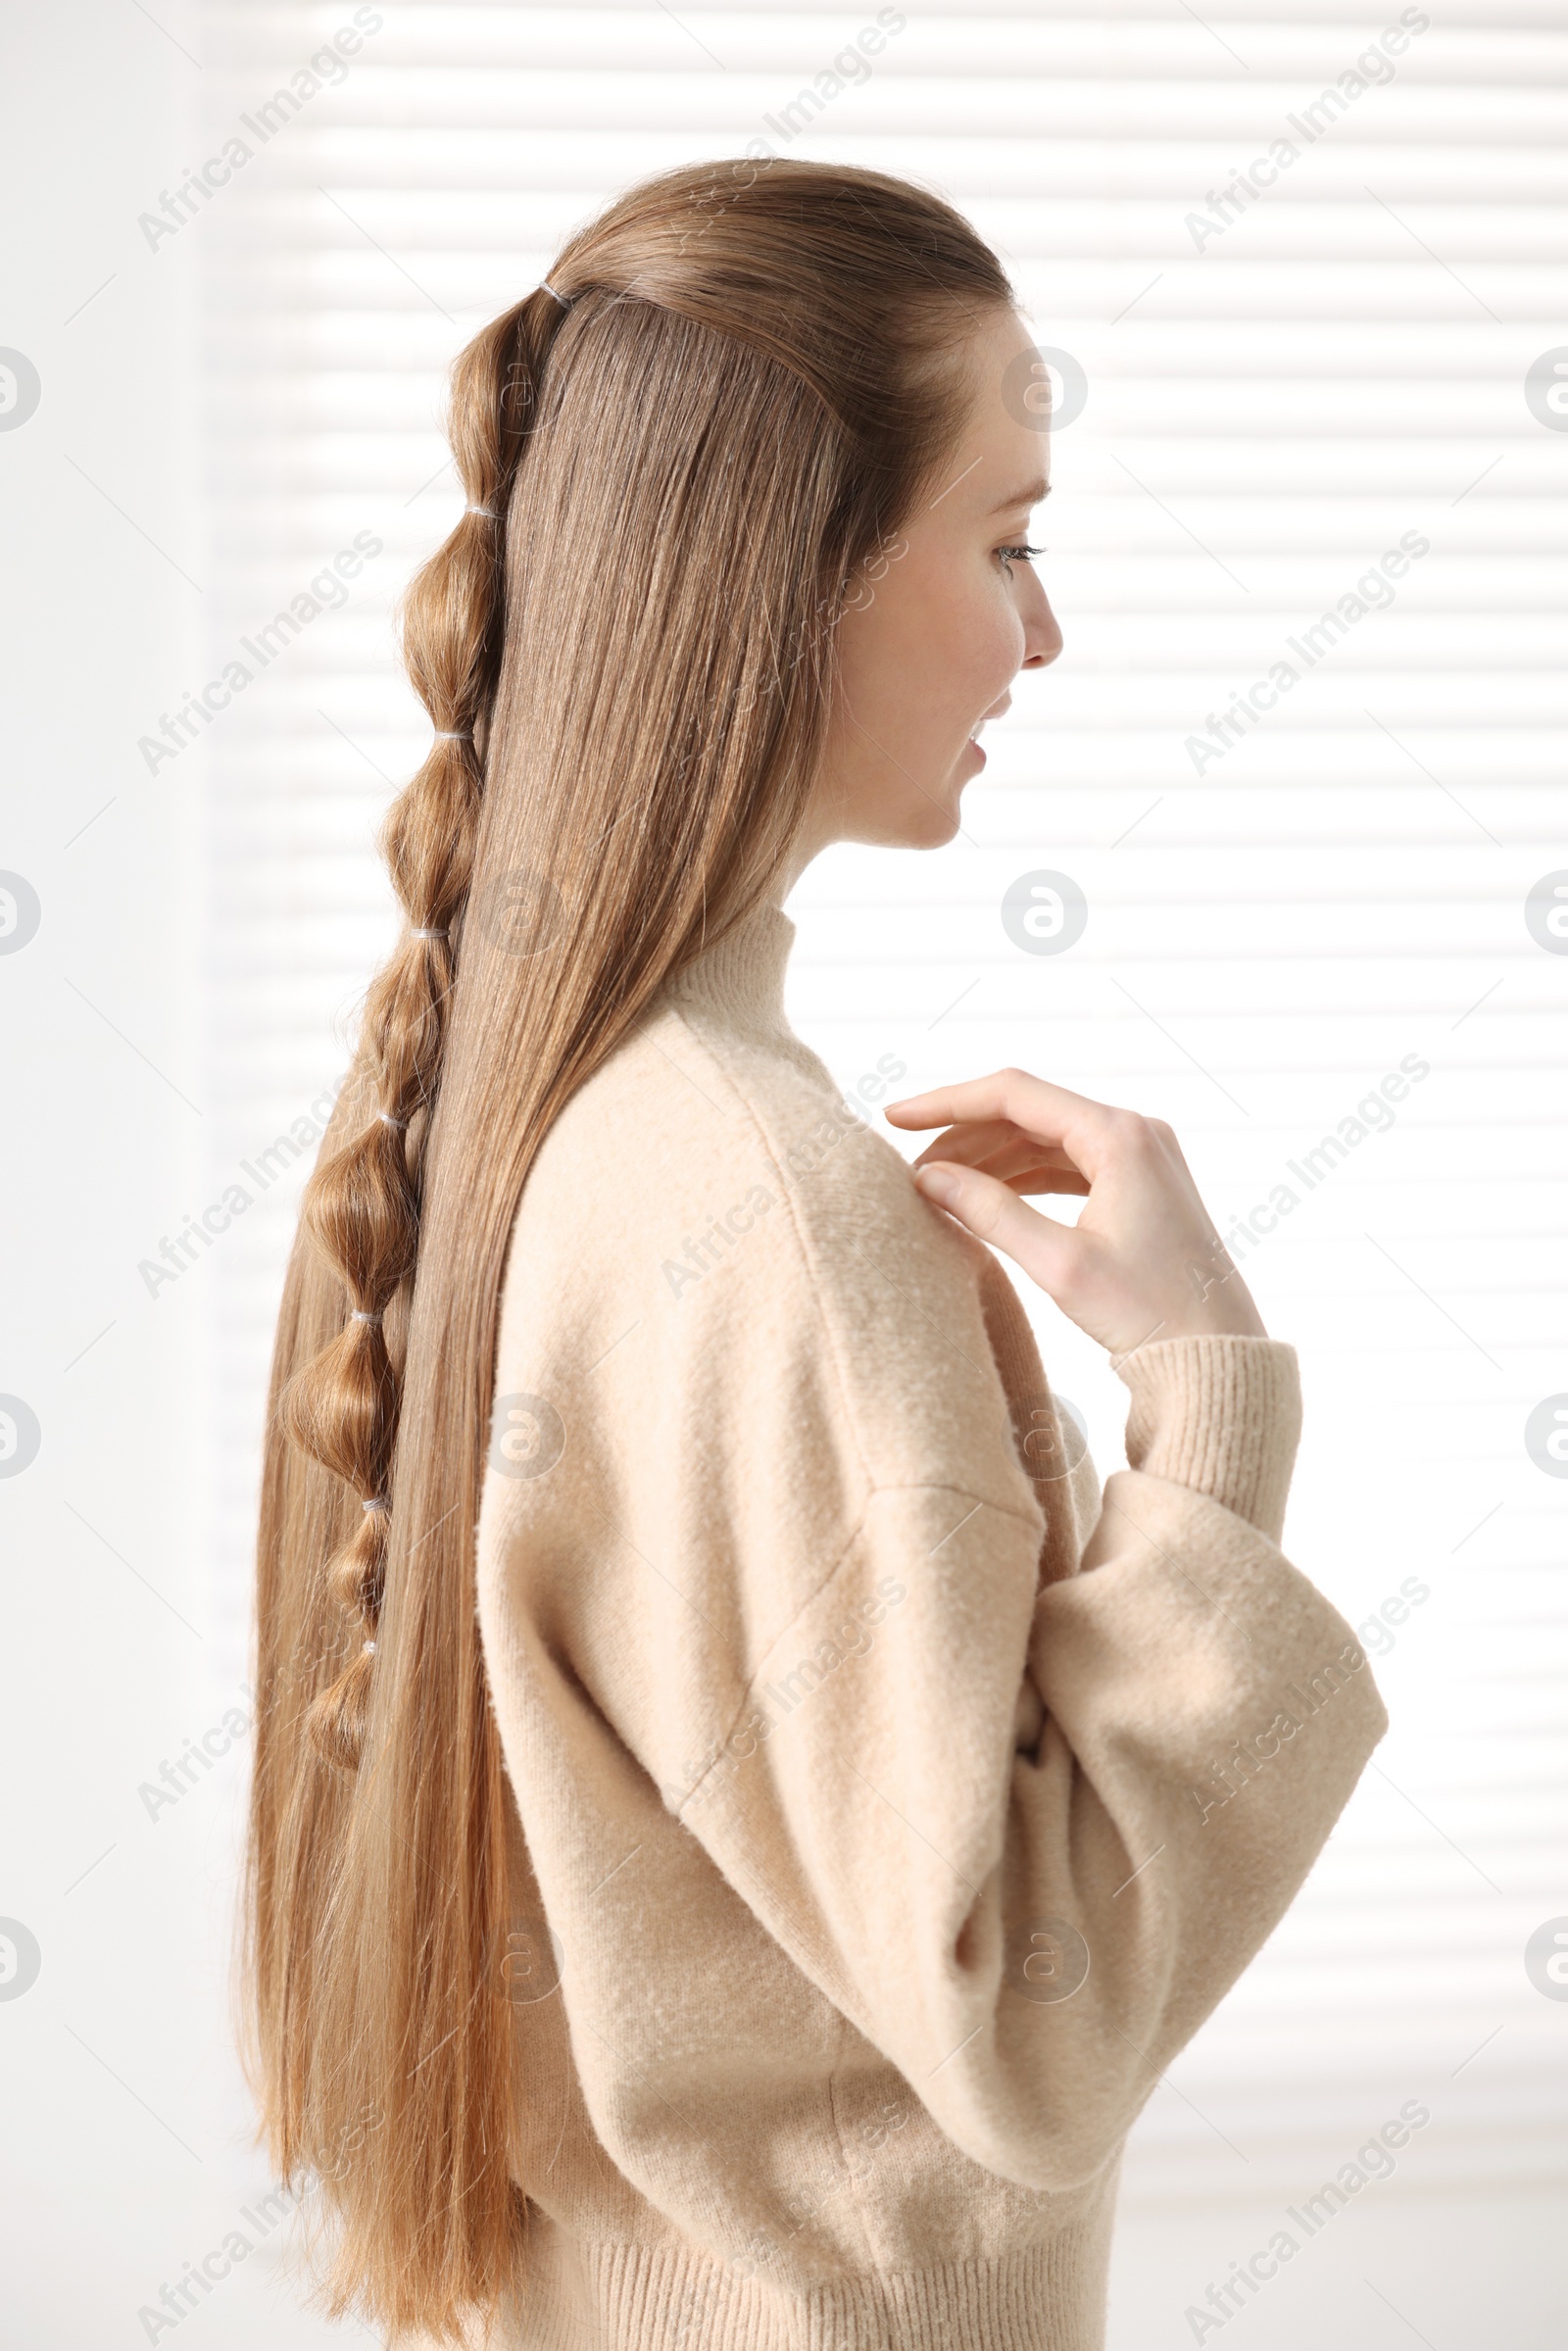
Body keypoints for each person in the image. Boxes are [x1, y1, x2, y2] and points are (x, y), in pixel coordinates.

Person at [244, 156, 1387, 2350]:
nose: (1042, 633)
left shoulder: (539, 1120)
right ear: (788, 572)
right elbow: (1018, 2031)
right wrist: (1206, 1422)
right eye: (1006, 539)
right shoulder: (759, 1211)